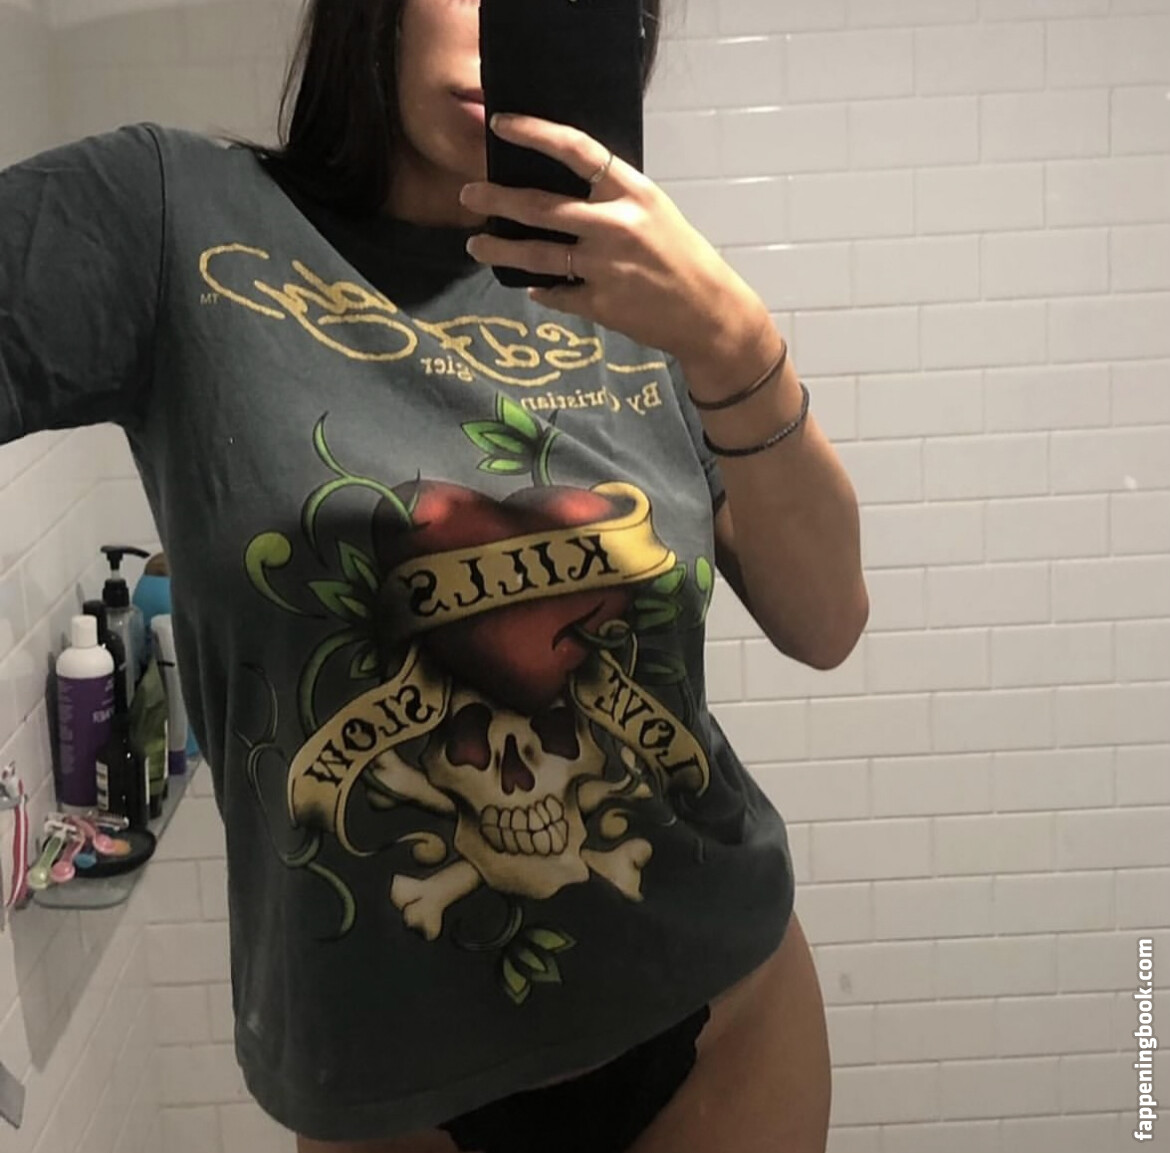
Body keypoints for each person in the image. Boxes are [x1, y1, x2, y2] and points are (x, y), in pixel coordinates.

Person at [0, 1, 866, 1150]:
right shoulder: (174, 218)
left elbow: (825, 619)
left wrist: (736, 346)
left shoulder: (637, 283)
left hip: (723, 1019)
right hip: (383, 1090)